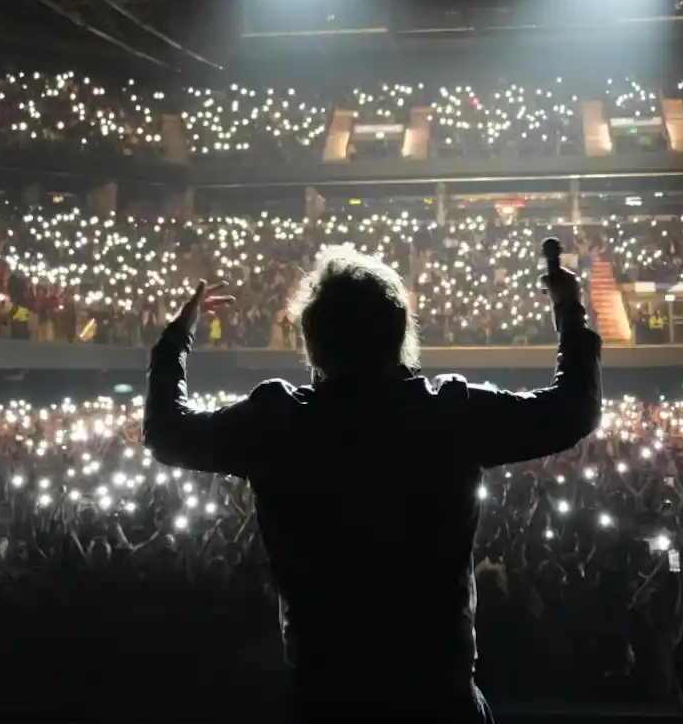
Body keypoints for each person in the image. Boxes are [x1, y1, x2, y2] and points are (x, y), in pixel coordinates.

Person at [144, 246, 602, 723]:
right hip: (438, 701)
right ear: (400, 332)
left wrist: (176, 340)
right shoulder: (448, 414)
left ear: (313, 344)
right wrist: (569, 309)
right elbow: (572, 411)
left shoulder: (278, 423)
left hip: (325, 701)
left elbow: (166, 431)